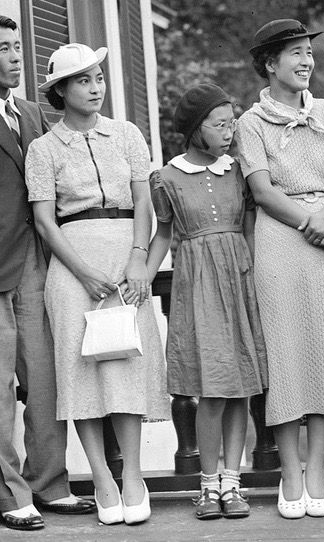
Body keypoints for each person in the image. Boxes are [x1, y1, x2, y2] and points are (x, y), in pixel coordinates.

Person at [25, 43, 170, 526]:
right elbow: (45, 222)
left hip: (125, 254)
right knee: (81, 370)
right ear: (61, 92)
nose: (95, 88)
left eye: (99, 78)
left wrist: (137, 260)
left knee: (127, 362)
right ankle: (103, 479)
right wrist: (83, 272)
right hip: (73, 263)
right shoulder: (44, 149)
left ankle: (132, 476)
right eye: (83, 81)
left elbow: (143, 201)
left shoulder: (127, 135)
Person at [236, 19, 324, 519]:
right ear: (270, 63)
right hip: (280, 236)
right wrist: (311, 223)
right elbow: (263, 191)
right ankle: (290, 470)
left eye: (308, 52)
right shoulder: (251, 122)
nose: (306, 61)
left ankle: (317, 470)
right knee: (287, 352)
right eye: (295, 53)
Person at [147, 83, 268, 520]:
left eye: (231, 123)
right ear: (196, 129)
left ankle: (232, 483)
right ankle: (208, 484)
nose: (228, 132)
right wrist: (142, 275)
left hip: (239, 281)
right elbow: (163, 232)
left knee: (240, 390)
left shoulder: (238, 172)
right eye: (219, 125)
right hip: (198, 287)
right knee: (212, 391)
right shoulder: (167, 177)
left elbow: (251, 227)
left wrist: (255, 271)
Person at [0, 16, 95, 531]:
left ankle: (49, 482)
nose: (15, 56)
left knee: (44, 380)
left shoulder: (33, 113)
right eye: (3, 49)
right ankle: (9, 492)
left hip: (36, 262)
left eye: (17, 46)